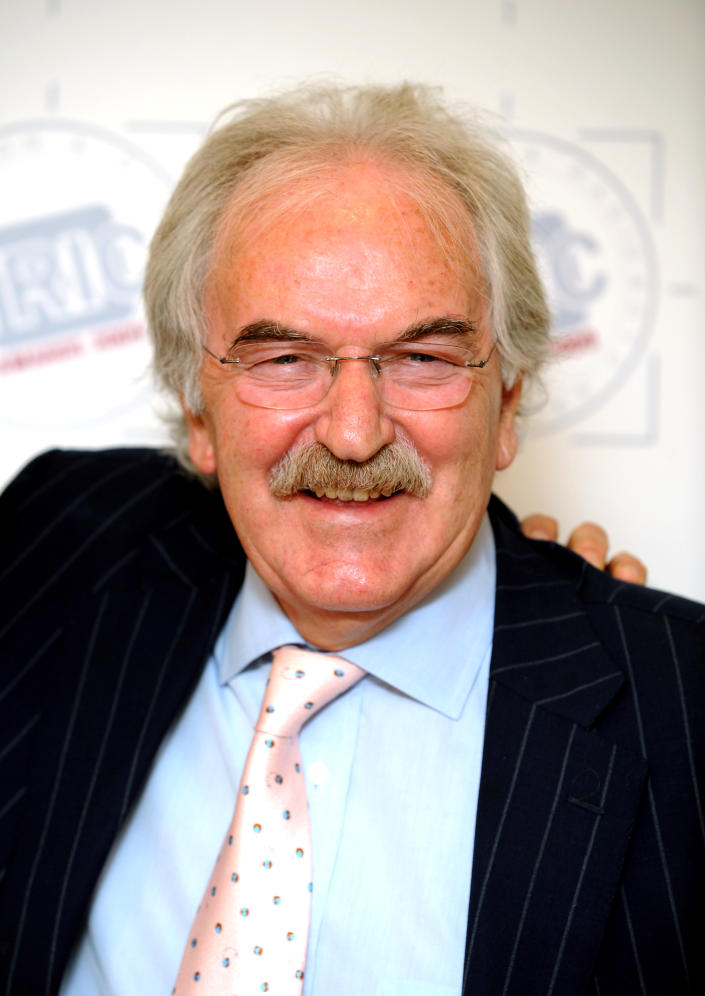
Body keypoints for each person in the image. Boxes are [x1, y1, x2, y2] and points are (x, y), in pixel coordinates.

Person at [0, 83, 700, 996]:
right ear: (195, 406)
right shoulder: (56, 538)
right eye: (283, 358)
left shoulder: (679, 713)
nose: (354, 433)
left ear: (507, 406)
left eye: (424, 358)